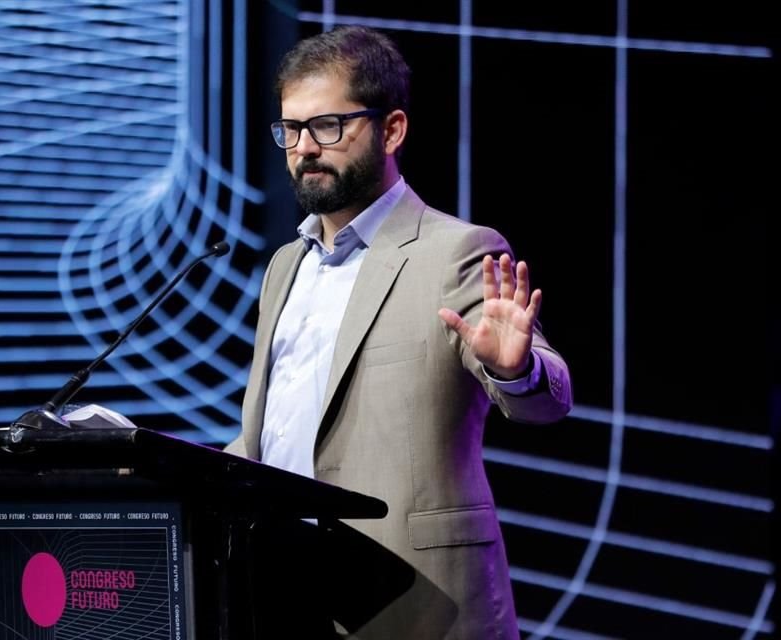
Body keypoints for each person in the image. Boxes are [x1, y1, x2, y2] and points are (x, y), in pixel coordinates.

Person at [225, 25, 572, 639]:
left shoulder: (456, 251)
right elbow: (272, 434)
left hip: (413, 600)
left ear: (391, 130)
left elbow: (550, 402)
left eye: (328, 126)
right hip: (283, 590)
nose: (305, 148)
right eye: (291, 130)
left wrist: (514, 370)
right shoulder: (285, 266)